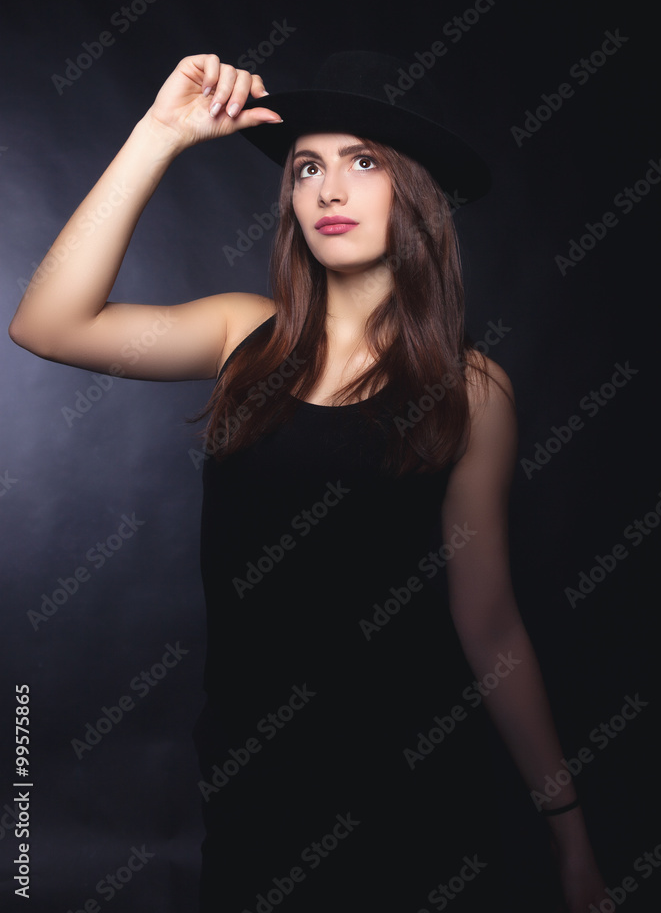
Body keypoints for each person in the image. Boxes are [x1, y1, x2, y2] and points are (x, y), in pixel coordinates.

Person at [9, 52, 609, 911]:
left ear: (416, 195)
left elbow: (487, 622)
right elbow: (46, 323)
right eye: (306, 168)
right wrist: (160, 133)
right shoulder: (238, 338)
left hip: (416, 789)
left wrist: (570, 833)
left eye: (361, 162)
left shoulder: (473, 391)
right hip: (254, 781)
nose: (329, 189)